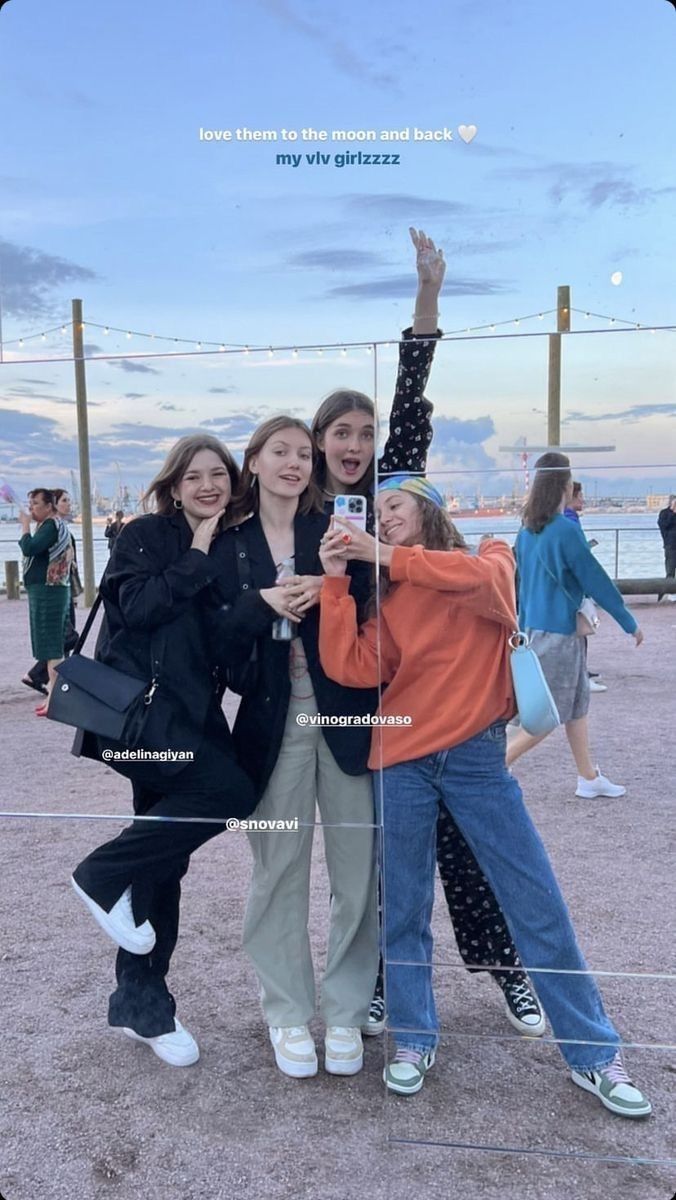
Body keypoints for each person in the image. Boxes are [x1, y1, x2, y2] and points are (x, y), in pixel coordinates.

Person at [316, 475, 651, 1118]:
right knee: (405, 908)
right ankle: (413, 1038)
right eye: (376, 511)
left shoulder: (490, 555)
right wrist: (336, 579)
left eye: (394, 506)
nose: (382, 519)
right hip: (402, 760)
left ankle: (592, 1052)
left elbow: (492, 588)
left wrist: (376, 554)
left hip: (476, 760)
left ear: (430, 510)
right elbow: (352, 667)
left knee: (536, 900)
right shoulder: (390, 595)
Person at [310, 227, 543, 1037]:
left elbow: (412, 389)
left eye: (365, 435)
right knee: (390, 860)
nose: (355, 446)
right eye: (340, 433)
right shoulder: (305, 501)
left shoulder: (396, 489)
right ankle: (389, 981)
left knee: (467, 850)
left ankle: (507, 969)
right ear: (316, 442)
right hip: (370, 684)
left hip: (436, 690)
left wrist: (428, 295)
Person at [70, 435, 257, 1067]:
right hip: (143, 722)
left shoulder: (235, 547)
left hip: (194, 720)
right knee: (233, 793)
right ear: (173, 486)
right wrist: (199, 551)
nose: (208, 485)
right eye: (194, 476)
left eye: (218, 476)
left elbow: (224, 650)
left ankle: (142, 1001)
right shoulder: (144, 535)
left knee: (166, 857)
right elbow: (141, 608)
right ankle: (100, 873)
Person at [209, 416, 379, 1080]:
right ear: (252, 461)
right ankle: (285, 1011)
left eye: (303, 454)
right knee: (277, 869)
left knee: (355, 872)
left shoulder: (332, 526)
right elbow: (218, 645)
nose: (294, 463)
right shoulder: (229, 544)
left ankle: (344, 1010)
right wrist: (264, 602)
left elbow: (370, 606)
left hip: (344, 721)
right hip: (271, 729)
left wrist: (329, 585)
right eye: (279, 452)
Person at [507, 453, 643, 797]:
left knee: (577, 705)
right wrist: (628, 622)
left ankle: (589, 776)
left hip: (535, 629)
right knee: (550, 714)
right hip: (560, 633)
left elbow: (521, 584)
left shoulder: (526, 532)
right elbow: (594, 579)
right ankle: (494, 766)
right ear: (565, 486)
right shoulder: (565, 530)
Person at [18, 487, 73, 715]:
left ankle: (55, 700)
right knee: (53, 647)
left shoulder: (51, 525)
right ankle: (54, 697)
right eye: (30, 503)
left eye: (35, 504)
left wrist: (24, 526)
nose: (31, 508)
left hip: (49, 590)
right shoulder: (55, 525)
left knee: (52, 647)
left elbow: (30, 547)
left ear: (49, 506)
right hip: (53, 588)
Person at [563, 482, 606, 693]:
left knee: (580, 630)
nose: (583, 500)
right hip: (574, 587)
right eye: (580, 496)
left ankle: (582, 673)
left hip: (572, 586)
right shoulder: (569, 521)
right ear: (570, 497)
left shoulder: (569, 520)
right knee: (580, 629)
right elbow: (576, 556)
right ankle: (580, 677)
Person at [657, 494, 676, 602]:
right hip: (671, 545)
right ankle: (670, 592)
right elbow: (664, 526)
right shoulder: (664, 513)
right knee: (670, 570)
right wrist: (673, 512)